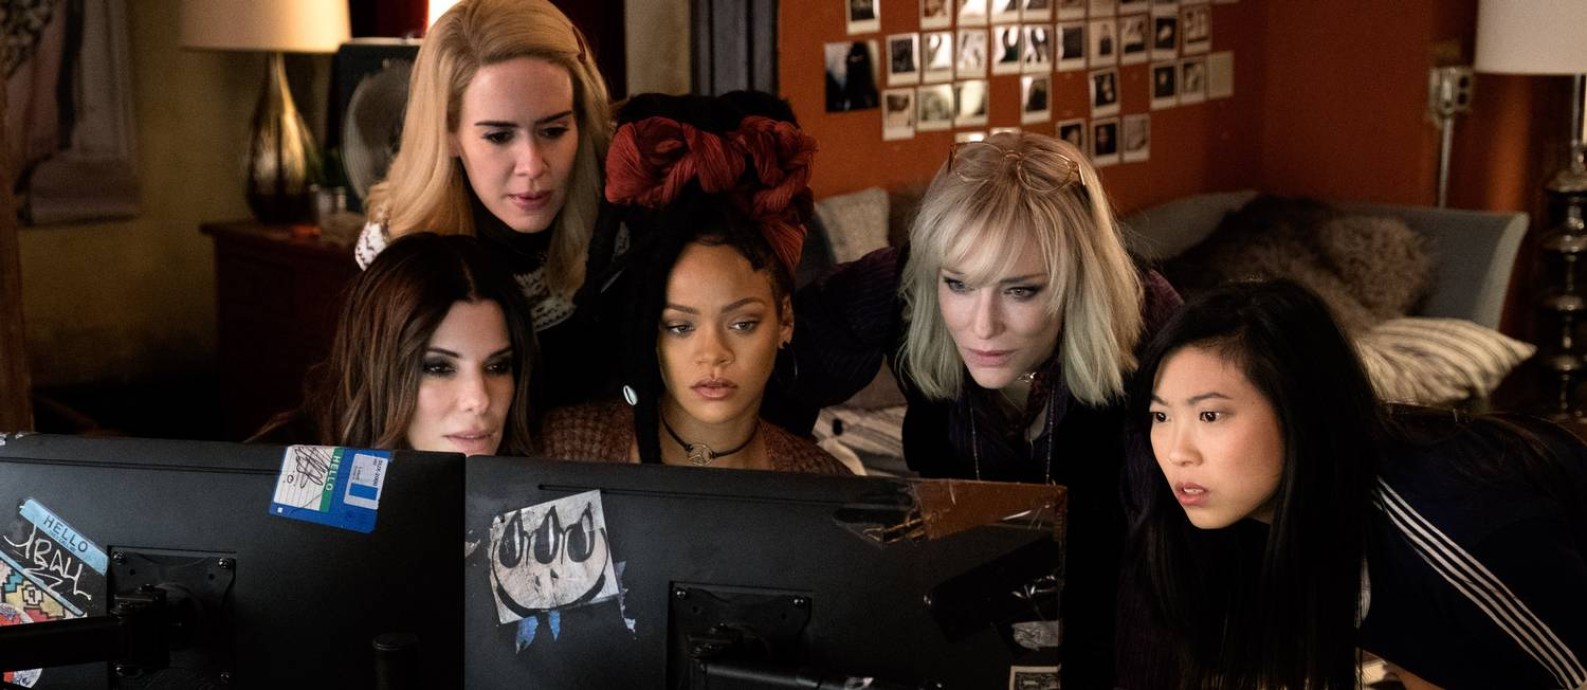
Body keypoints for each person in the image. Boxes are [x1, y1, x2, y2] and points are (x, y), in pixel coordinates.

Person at [772, 132, 1182, 687]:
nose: (982, 326)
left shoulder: (1152, 332)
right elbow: (769, 360)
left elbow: (1160, 569)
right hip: (954, 627)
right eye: (958, 284)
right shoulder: (902, 284)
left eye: (1021, 291)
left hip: (1106, 638)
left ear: (1077, 281)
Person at [1130, 279, 1587, 690]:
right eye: (1161, 415)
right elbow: (1430, 656)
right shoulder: (1254, 521)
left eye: (1210, 415)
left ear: (1300, 410)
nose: (1176, 452)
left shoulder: (1451, 523)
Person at [541, 93, 849, 476]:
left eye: (742, 324)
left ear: (785, 319)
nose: (713, 354)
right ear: (648, 330)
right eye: (680, 327)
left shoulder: (820, 481)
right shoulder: (566, 450)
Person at [353, 0, 613, 404]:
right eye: (499, 136)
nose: (532, 166)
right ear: (448, 132)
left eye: (553, 130)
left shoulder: (620, 225)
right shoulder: (398, 253)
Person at [253, 233, 539, 457]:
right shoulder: (276, 475)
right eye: (438, 368)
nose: (479, 400)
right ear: (376, 365)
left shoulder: (544, 469)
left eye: (497, 366)